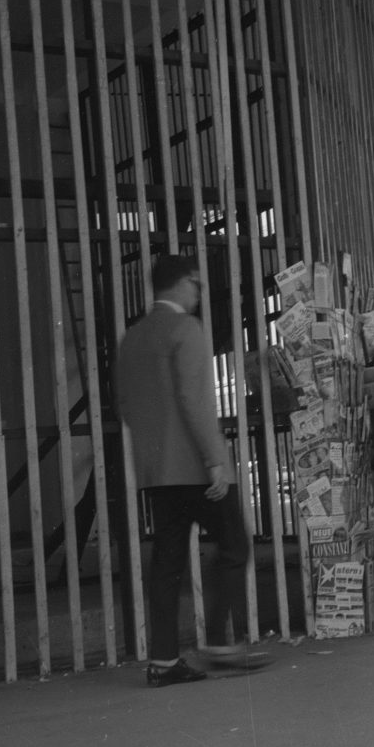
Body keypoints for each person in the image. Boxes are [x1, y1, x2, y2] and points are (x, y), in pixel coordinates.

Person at [116, 254, 249, 687]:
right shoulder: (186, 330)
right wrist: (215, 461)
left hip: (157, 472)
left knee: (167, 562)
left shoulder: (132, 338)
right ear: (182, 284)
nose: (200, 293)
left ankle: (164, 662)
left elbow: (126, 408)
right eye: (197, 284)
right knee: (233, 543)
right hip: (195, 466)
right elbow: (195, 402)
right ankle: (219, 644)